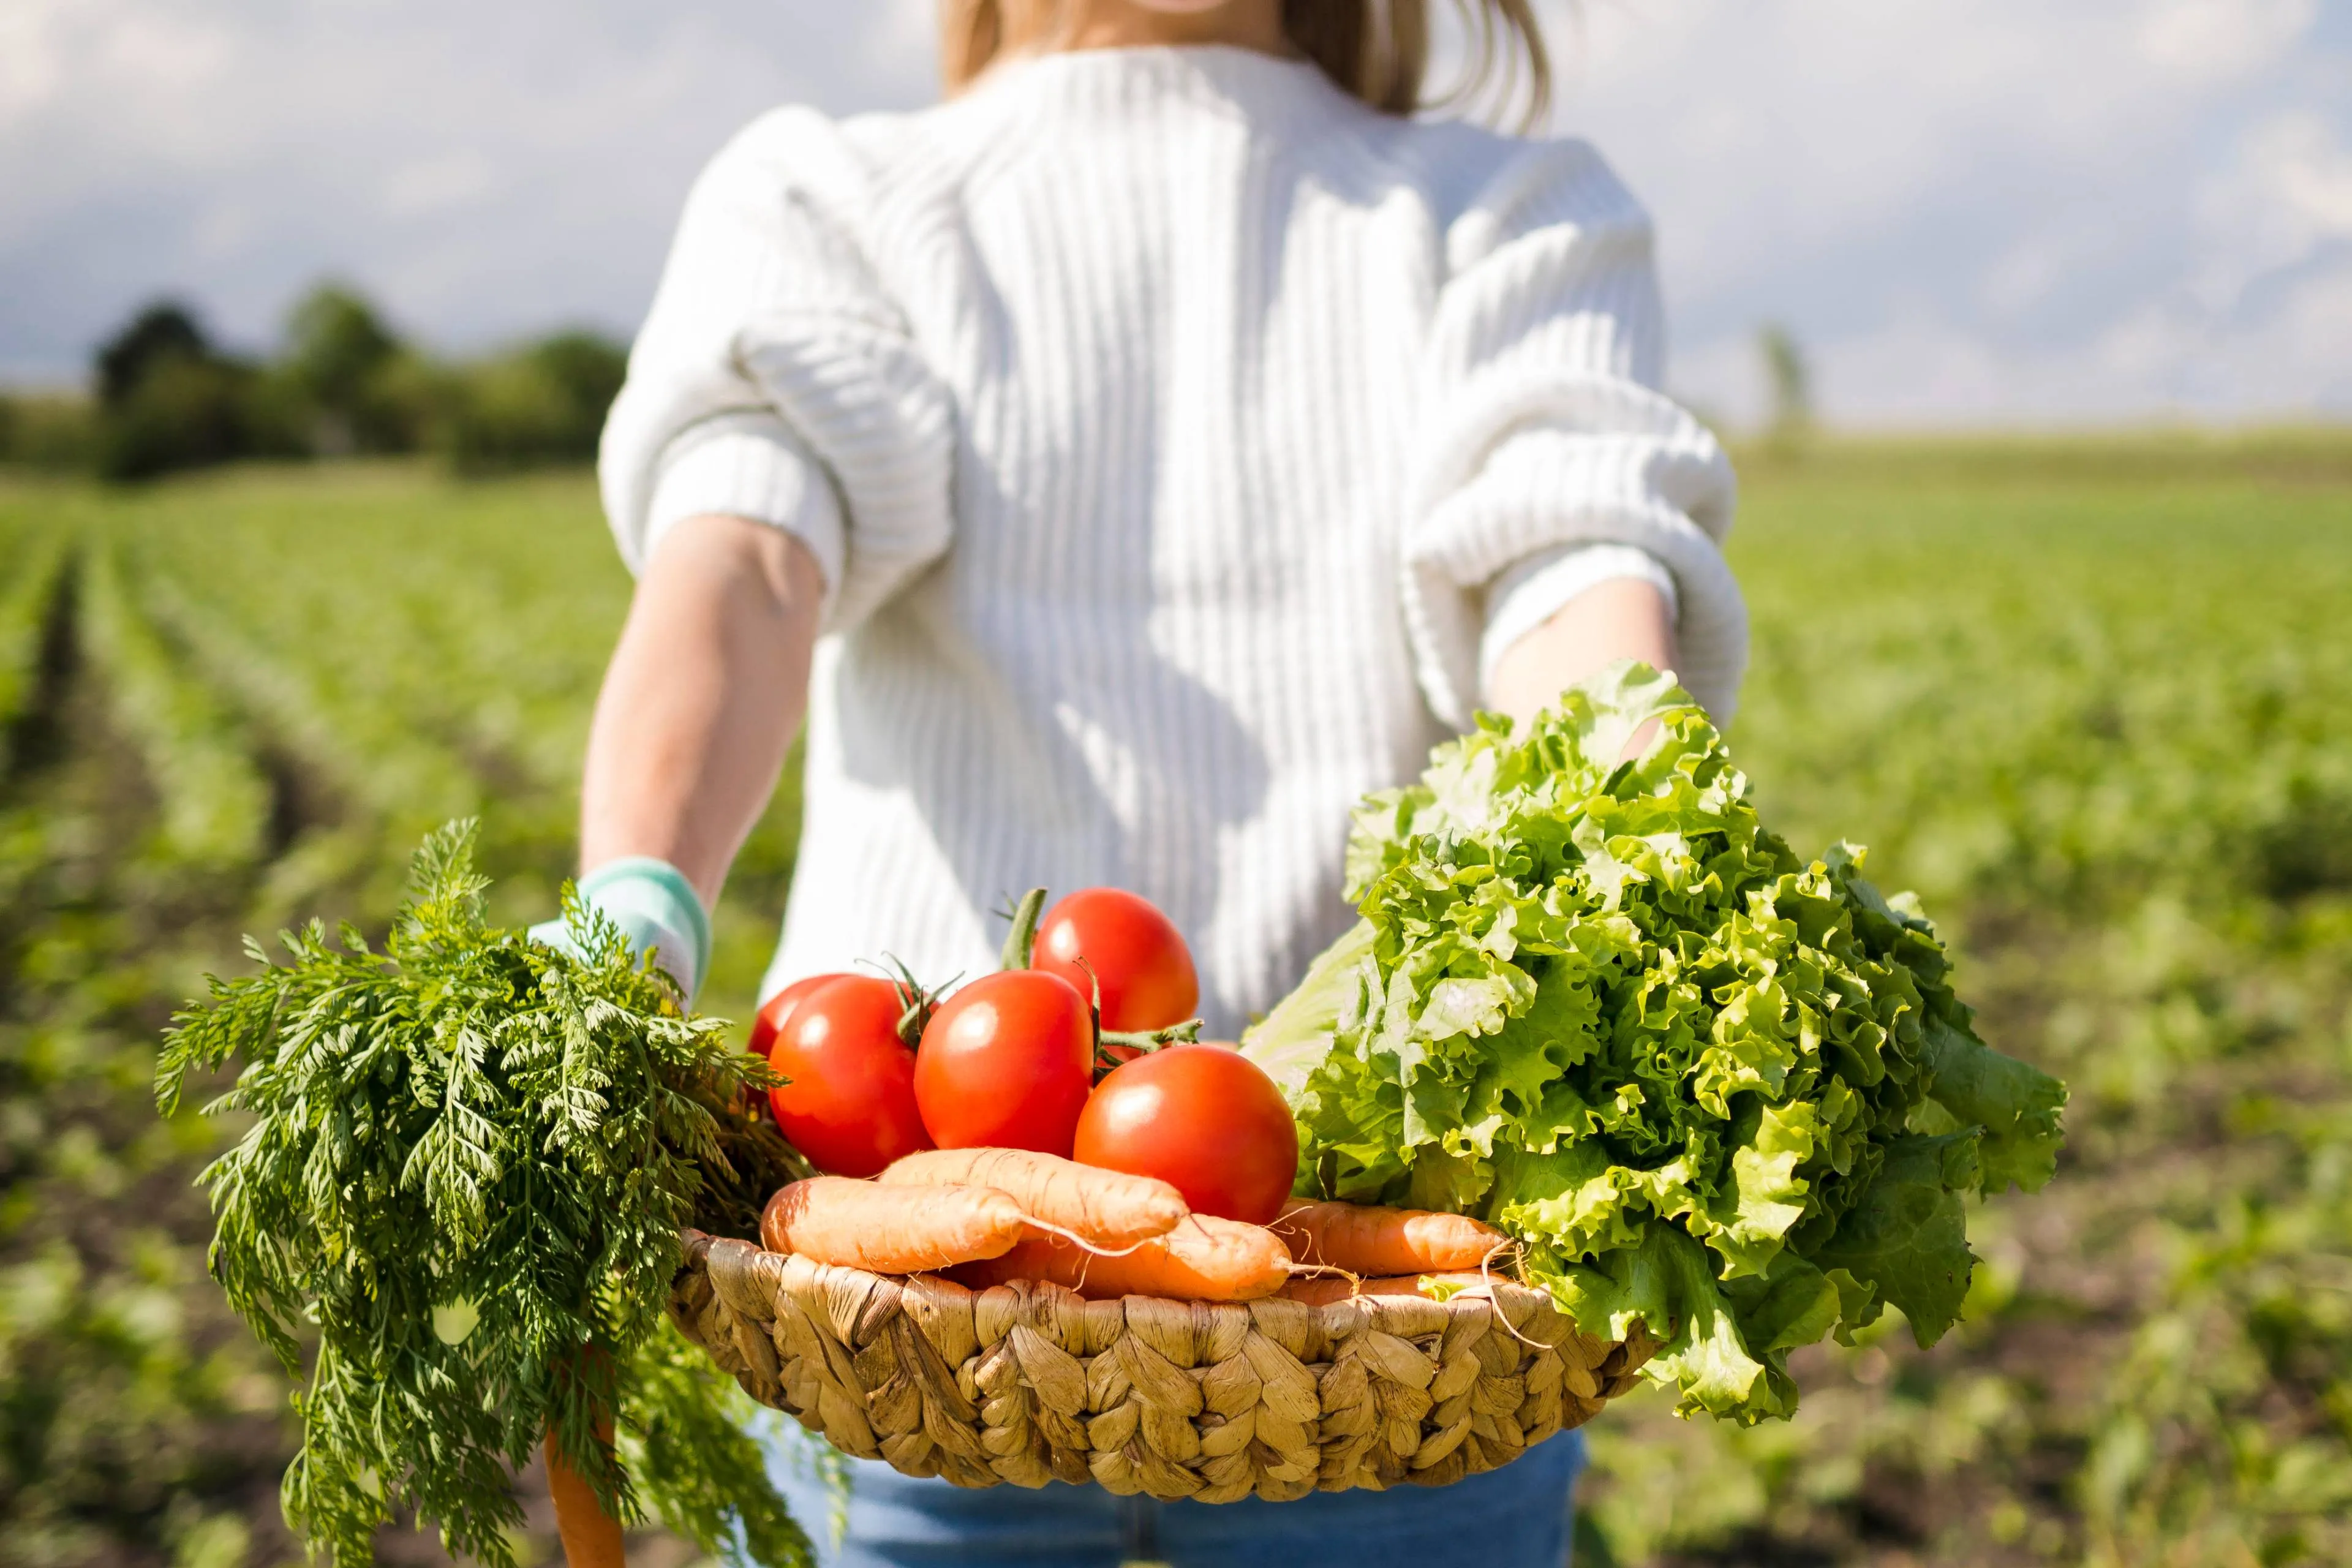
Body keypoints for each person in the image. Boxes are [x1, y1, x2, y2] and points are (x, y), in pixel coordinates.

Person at [560, 2, 1744, 1563]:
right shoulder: (843, 203)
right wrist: (628, 929)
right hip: (969, 1262)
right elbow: (750, 559)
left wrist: (635, 907)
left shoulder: (1504, 215)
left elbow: (752, 570)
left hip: (1297, 1279)